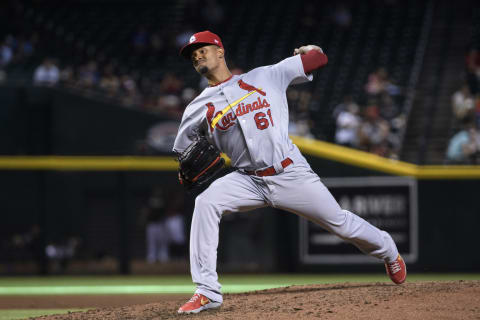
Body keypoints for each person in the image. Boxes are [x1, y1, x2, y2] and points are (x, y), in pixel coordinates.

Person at [173, 30, 406, 314]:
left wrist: (311, 48)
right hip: (247, 179)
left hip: (289, 171)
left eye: (203, 49)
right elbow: (183, 151)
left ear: (220, 51)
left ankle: (388, 249)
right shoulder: (196, 107)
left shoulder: (265, 76)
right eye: (192, 54)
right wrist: (185, 167)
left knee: (339, 223)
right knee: (206, 203)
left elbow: (318, 59)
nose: (197, 55)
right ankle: (207, 291)